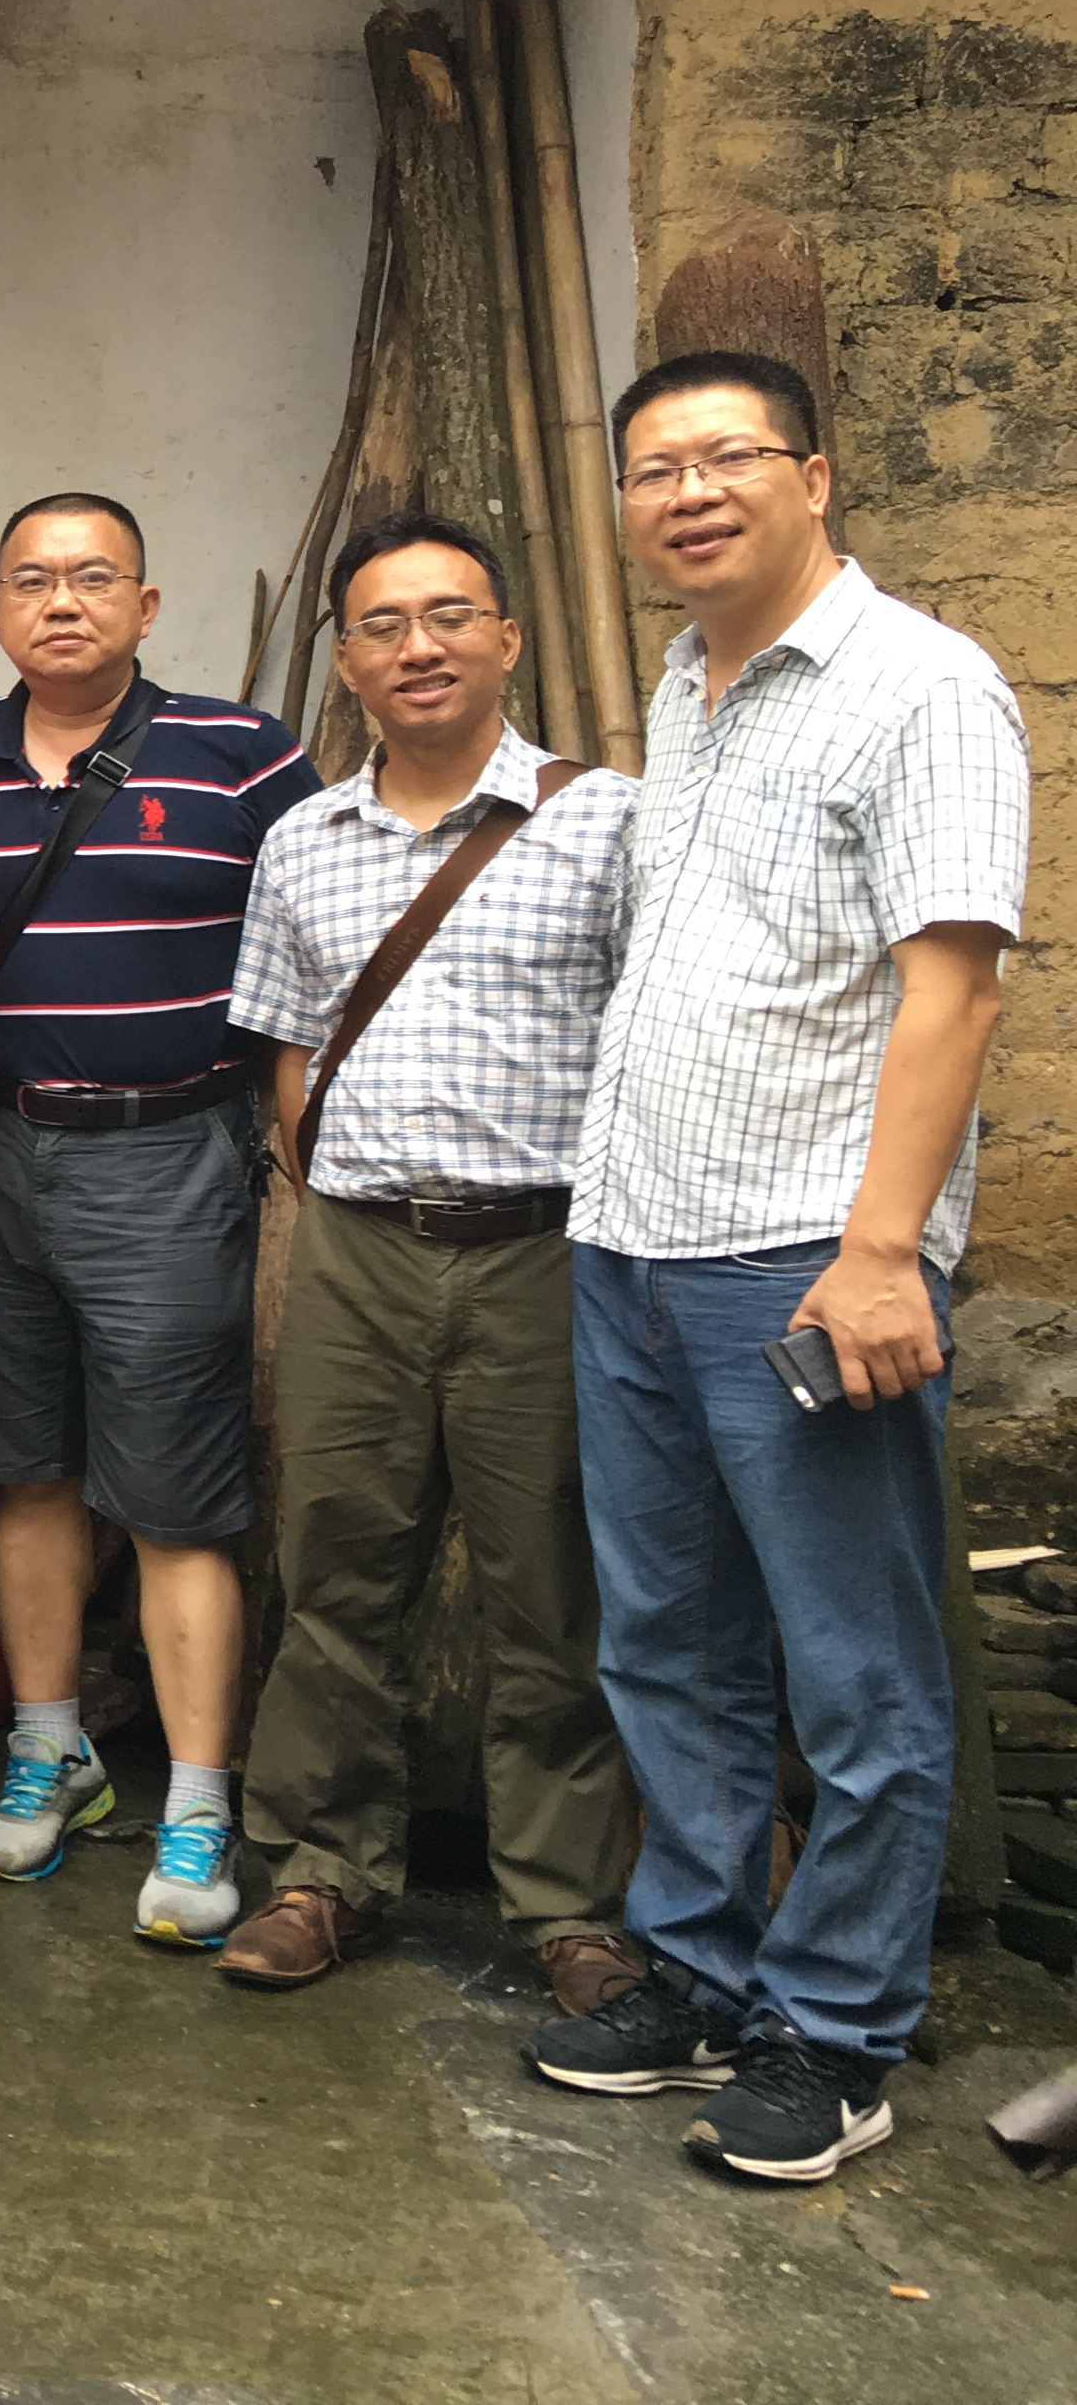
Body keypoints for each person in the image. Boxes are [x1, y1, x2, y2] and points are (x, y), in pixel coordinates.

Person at [524, 351, 1026, 2187]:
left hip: (804, 1260)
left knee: (854, 1672)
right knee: (668, 1642)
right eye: (652, 467)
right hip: (635, 1239)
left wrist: (885, 1249)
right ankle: (702, 1966)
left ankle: (835, 2031)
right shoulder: (690, 684)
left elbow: (952, 987)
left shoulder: (922, 686)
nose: (687, 492)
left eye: (725, 455)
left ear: (813, 475)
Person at [218, 511, 642, 2013]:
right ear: (347, 664)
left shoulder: (608, 823)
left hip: (546, 1254)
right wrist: (333, 1197)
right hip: (360, 1254)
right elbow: (286, 1051)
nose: (420, 646)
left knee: (551, 1589)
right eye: (384, 625)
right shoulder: (303, 841)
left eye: (451, 614)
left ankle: (567, 1906)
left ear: (507, 639)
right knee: (337, 1569)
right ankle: (322, 1872)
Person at [0, 494, 317, 1949]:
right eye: (32, 579)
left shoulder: (242, 756)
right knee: (23, 1471)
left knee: (174, 1496)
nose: (62, 602)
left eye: (94, 578)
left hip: (167, 1157)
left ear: (146, 606)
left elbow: (317, 947)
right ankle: (51, 1753)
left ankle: (199, 1801)